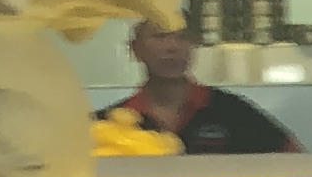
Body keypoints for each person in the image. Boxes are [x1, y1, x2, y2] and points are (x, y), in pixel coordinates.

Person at [101, 21, 301, 154]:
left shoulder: (233, 113)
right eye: (160, 36)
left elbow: (294, 161)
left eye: (183, 37)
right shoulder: (107, 125)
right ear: (135, 49)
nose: (172, 47)